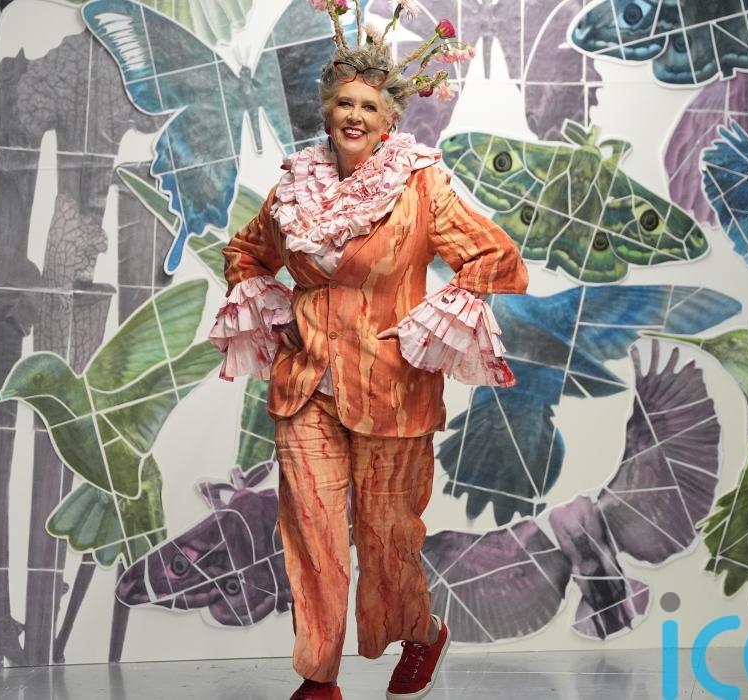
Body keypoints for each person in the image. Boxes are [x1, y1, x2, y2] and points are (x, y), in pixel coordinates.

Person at [209, 2, 528, 698]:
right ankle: (318, 677)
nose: (355, 115)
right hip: (305, 387)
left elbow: (495, 255)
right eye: (345, 103)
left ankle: (421, 632)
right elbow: (245, 252)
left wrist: (431, 323)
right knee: (312, 529)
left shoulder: (419, 186)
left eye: (369, 107)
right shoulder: (293, 189)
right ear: (327, 112)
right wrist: (274, 309)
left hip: (392, 388)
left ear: (389, 121)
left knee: (387, 535)